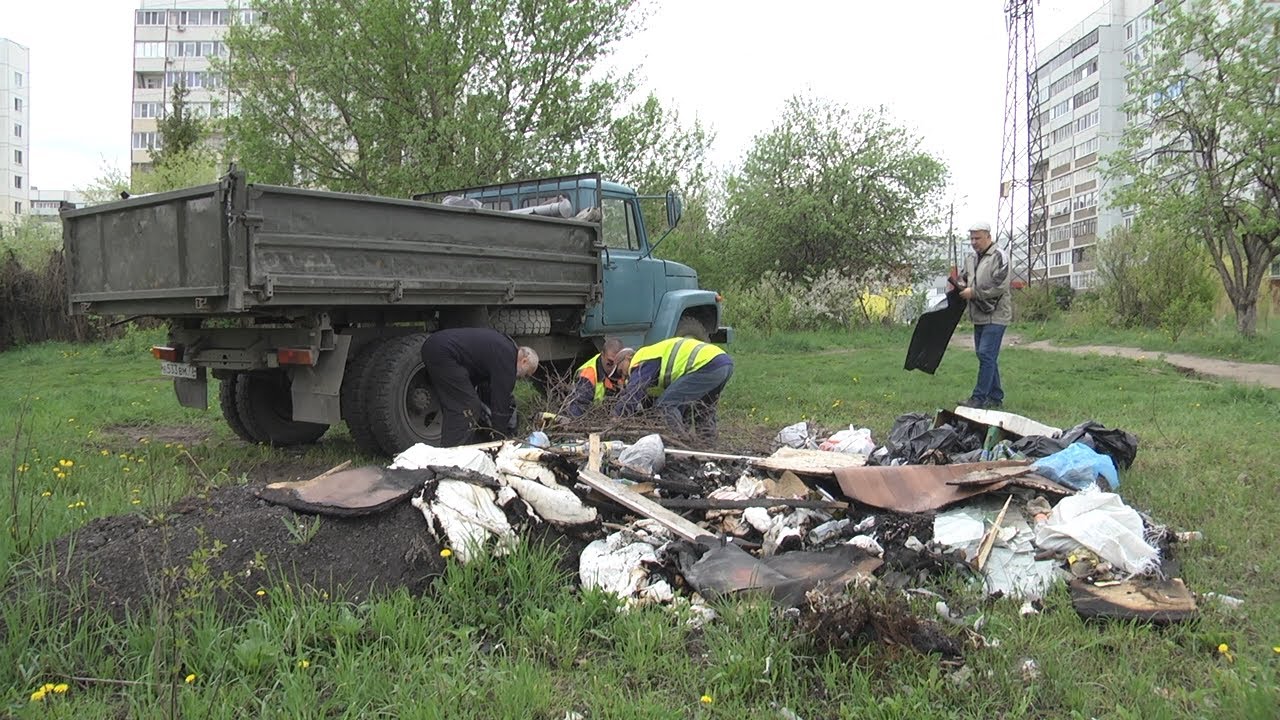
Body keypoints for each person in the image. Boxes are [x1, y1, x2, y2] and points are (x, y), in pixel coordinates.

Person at [419, 328, 539, 447]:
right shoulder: (507, 361)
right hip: (444, 353)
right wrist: (499, 438)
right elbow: (500, 403)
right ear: (524, 361)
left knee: (457, 405)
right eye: (527, 374)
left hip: (435, 345)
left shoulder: (504, 349)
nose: (523, 378)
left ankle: (453, 447)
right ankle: (451, 453)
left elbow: (485, 388)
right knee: (467, 406)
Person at [614, 337, 733, 442]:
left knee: (666, 406)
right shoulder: (654, 357)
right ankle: (709, 449)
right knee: (702, 411)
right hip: (723, 363)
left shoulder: (641, 359)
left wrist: (616, 416)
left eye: (621, 371)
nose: (624, 377)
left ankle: (681, 445)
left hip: (707, 365)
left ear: (628, 357)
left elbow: (634, 392)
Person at [955, 221, 1012, 409]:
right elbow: (964, 277)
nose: (974, 242)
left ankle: (978, 398)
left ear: (988, 236)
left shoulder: (1000, 256)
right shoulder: (971, 258)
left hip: (997, 314)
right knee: (986, 356)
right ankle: (995, 397)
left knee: (986, 354)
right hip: (978, 314)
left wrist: (974, 292)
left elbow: (999, 285)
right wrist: (959, 284)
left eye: (977, 237)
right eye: (971, 238)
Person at [565, 338, 634, 417]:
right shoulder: (588, 375)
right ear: (602, 355)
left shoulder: (625, 369)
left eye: (617, 364)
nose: (613, 369)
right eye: (610, 363)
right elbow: (577, 408)